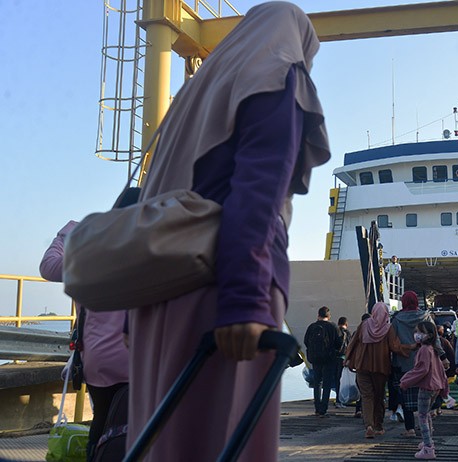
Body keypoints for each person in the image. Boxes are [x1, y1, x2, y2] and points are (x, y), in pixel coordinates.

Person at [126, 3, 330, 461]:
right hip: (220, 290)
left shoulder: (194, 98)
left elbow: (151, 204)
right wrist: (245, 301)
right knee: (224, 438)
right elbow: (258, 192)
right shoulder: (277, 74)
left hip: (158, 294)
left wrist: (126, 316)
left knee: (163, 440)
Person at [40, 221, 129, 461]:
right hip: (136, 359)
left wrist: (65, 234)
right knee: (135, 425)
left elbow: (48, 267)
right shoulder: (141, 260)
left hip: (98, 362)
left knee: (100, 421)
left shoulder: (85, 264)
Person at [345, 302, 413, 438]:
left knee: (366, 396)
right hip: (380, 368)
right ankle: (378, 425)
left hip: (362, 365)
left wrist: (348, 358)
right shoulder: (388, 328)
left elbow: (353, 342)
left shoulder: (364, 325)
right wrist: (411, 347)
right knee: (378, 396)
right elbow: (395, 347)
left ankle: (368, 425)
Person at [390, 291, 447, 437]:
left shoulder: (396, 320)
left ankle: (410, 429)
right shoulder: (425, 316)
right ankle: (427, 427)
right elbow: (436, 339)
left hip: (403, 363)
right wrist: (442, 356)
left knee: (406, 398)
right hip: (426, 363)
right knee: (425, 399)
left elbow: (392, 343)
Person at [399, 321, 447, 460]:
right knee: (426, 415)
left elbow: (421, 369)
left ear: (429, 335)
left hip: (427, 386)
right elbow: (439, 370)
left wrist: (405, 380)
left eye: (420, 332)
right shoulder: (433, 349)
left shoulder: (424, 350)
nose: (417, 335)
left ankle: (428, 448)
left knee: (422, 416)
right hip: (435, 386)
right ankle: (428, 442)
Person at [304, 306, 342, 416]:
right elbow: (339, 343)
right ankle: (323, 408)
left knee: (317, 382)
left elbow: (306, 341)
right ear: (329, 316)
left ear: (318, 315)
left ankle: (317, 407)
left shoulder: (312, 327)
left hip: (315, 359)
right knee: (327, 383)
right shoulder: (332, 326)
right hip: (329, 358)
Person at [334, 316, 352, 408]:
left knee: (337, 380)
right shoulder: (347, 333)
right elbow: (350, 346)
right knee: (343, 380)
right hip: (344, 358)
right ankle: (343, 399)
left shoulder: (335, 332)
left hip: (335, 358)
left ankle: (337, 400)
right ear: (346, 324)